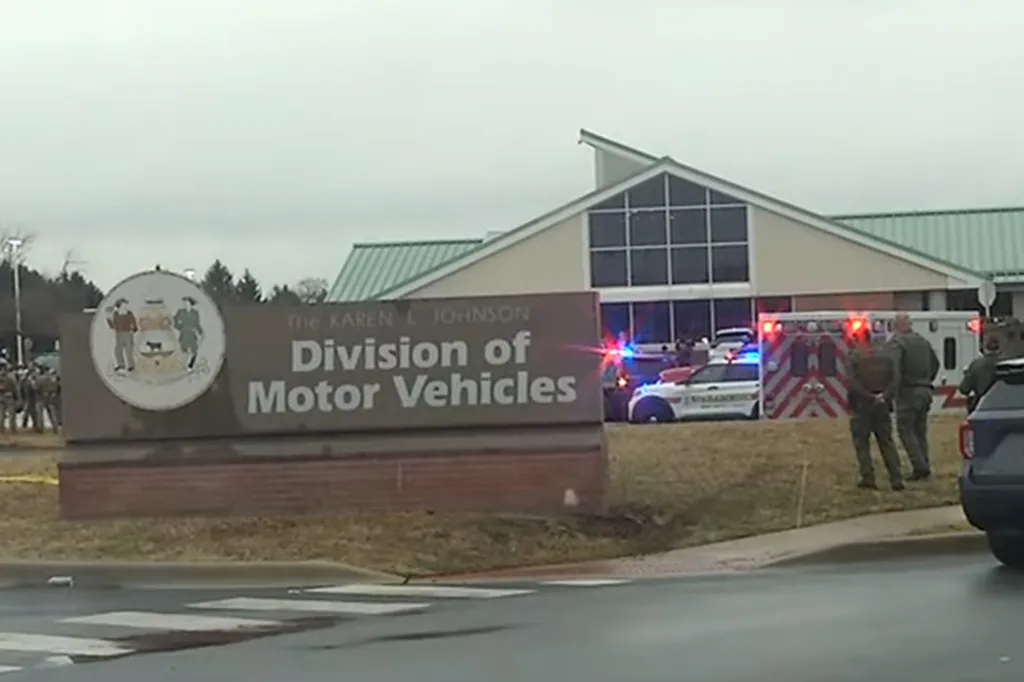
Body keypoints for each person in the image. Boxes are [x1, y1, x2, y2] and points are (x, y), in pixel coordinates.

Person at [848, 329, 904, 491]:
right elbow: (895, 379)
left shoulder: (855, 357)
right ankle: (896, 478)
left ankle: (868, 477)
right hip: (883, 406)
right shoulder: (886, 356)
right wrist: (884, 396)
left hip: (862, 406)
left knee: (862, 444)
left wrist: (869, 397)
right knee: (887, 442)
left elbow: (852, 383)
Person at [889, 313, 940, 481]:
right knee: (920, 431)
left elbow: (895, 370)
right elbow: (936, 364)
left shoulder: (898, 343)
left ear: (896, 326)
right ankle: (924, 464)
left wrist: (891, 392)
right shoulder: (923, 342)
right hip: (925, 391)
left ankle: (920, 467)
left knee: (905, 430)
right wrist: (927, 380)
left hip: (908, 392)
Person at [960, 333, 1001, 412]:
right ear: (999, 348)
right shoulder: (1008, 363)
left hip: (981, 406)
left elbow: (964, 389)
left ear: (985, 347)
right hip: (1006, 405)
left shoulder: (976, 364)